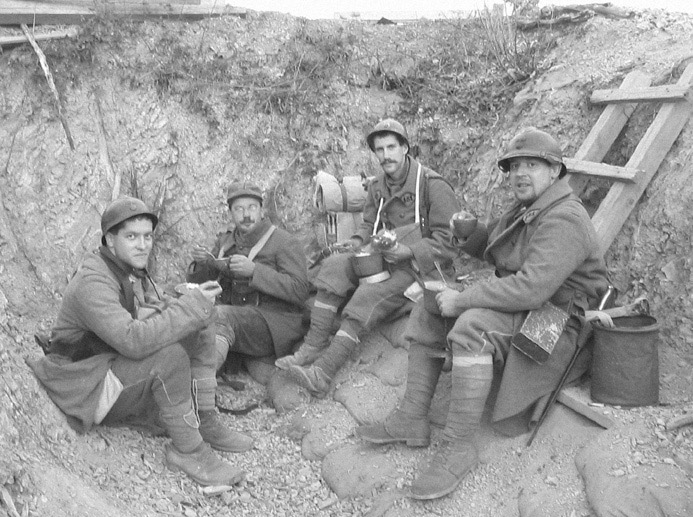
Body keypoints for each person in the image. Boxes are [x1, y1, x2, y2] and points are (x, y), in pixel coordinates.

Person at [357, 127, 609, 500]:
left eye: (533, 165)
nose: (521, 174)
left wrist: (465, 299)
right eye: (515, 166)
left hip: (555, 318)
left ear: (555, 171)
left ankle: (458, 446)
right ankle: (412, 417)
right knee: (429, 310)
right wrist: (470, 233)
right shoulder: (531, 207)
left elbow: (531, 287)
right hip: (528, 304)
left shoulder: (565, 218)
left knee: (472, 326)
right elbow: (500, 251)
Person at [33, 197, 251, 487]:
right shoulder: (93, 281)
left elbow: (142, 314)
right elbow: (133, 340)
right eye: (132, 237)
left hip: (102, 366)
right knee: (170, 357)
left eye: (147, 236)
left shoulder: (122, 270)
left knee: (199, 324)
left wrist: (187, 305)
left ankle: (204, 416)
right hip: (82, 384)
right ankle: (188, 450)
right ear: (110, 241)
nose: (142, 244)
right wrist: (188, 308)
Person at [277, 118, 460, 398]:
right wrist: (355, 242)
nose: (385, 155)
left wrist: (409, 250)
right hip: (383, 258)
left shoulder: (433, 186)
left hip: (421, 269)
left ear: (405, 148)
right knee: (334, 266)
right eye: (379, 149)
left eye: (391, 147)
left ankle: (323, 373)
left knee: (366, 296)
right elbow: (368, 224)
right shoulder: (378, 186)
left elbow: (449, 242)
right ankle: (312, 345)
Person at [187, 183, 311, 373]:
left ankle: (201, 384)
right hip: (237, 320)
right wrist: (203, 264)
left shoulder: (284, 242)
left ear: (262, 210)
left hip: (272, 324)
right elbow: (204, 286)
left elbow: (300, 290)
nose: (246, 215)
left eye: (252, 207)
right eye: (239, 209)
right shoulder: (226, 243)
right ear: (231, 213)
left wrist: (255, 271)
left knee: (219, 316)